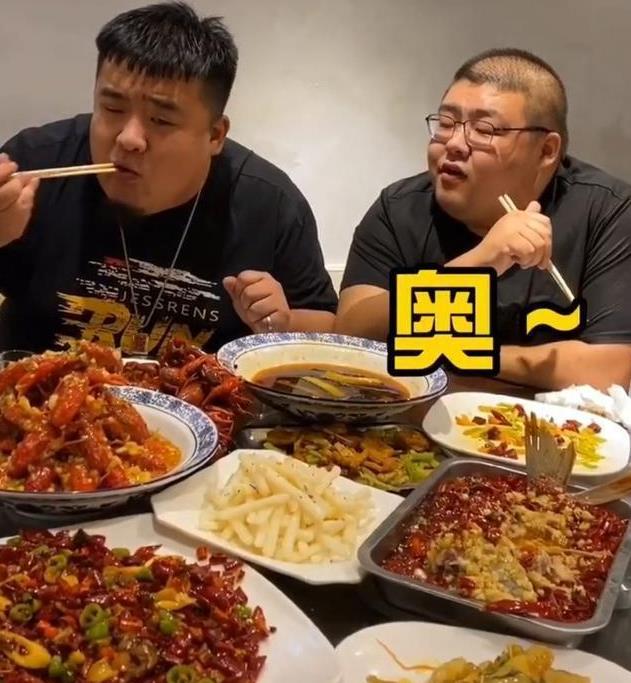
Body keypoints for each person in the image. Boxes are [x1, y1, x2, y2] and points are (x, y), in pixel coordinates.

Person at [0, 1, 337, 357]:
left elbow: (327, 325)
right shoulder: (34, 166)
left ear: (215, 135)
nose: (129, 138)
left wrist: (283, 322)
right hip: (35, 387)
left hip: (203, 392)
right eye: (112, 108)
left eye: (161, 120)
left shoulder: (269, 204)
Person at [335, 48, 631, 391]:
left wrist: (464, 355)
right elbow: (350, 335)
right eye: (446, 124)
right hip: (419, 418)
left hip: (552, 421)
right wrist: (478, 264)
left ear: (547, 151)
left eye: (484, 129)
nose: (455, 143)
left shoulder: (608, 211)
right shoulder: (399, 208)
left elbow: (611, 369)